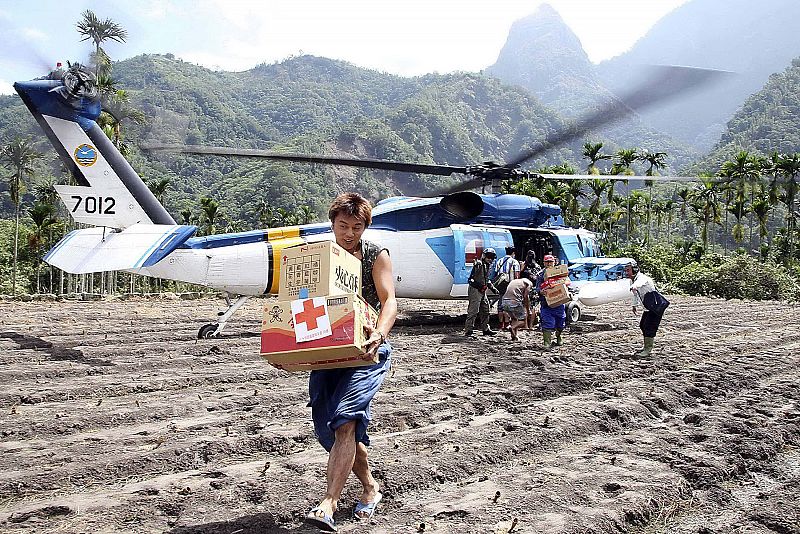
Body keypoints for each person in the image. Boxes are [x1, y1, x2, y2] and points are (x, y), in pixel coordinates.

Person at [305, 193, 398, 532]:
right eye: (342, 226)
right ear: (332, 224)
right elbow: (298, 304)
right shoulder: (318, 256)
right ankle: (370, 488)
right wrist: (285, 352)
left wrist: (380, 333)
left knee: (345, 420)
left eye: (356, 227)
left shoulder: (375, 254)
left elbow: (389, 302)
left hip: (367, 351)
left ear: (364, 227)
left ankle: (328, 503)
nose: (348, 233)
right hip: (328, 351)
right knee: (330, 425)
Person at [626, 261, 663, 357]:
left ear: (634, 270)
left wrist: (634, 286)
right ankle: (646, 346)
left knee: (649, 326)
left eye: (628, 270)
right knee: (642, 325)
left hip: (655, 306)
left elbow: (639, 284)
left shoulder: (642, 278)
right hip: (648, 307)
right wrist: (634, 305)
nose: (627, 273)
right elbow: (635, 294)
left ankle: (648, 349)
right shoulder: (633, 280)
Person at [535, 255, 567, 350]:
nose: (549, 264)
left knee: (560, 323)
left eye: (550, 262)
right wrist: (541, 291)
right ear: (544, 263)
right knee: (547, 322)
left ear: (554, 262)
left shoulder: (559, 272)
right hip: (546, 303)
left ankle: (559, 336)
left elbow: (566, 282)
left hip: (559, 302)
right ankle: (547, 342)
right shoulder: (540, 274)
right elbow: (537, 287)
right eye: (547, 262)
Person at [464, 248, 498, 336]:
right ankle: (469, 330)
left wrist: (493, 288)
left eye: (492, 257)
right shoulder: (479, 264)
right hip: (475, 289)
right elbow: (471, 279)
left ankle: (485, 329)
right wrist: (480, 286)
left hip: (482, 290)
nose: (490, 259)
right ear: (484, 256)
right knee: (473, 311)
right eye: (489, 257)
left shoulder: (487, 266)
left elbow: (487, 280)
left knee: (486, 309)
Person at [493, 246, 521, 330]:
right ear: (513, 253)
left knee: (500, 305)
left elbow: (496, 273)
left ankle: (501, 324)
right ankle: (507, 323)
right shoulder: (515, 262)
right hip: (510, 285)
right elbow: (516, 276)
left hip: (501, 285)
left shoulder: (500, 261)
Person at [520, 250, 542, 329]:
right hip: (534, 288)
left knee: (525, 306)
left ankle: (525, 325)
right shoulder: (538, 266)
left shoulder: (524, 266)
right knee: (533, 307)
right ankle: (531, 325)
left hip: (525, 287)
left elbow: (519, 275)